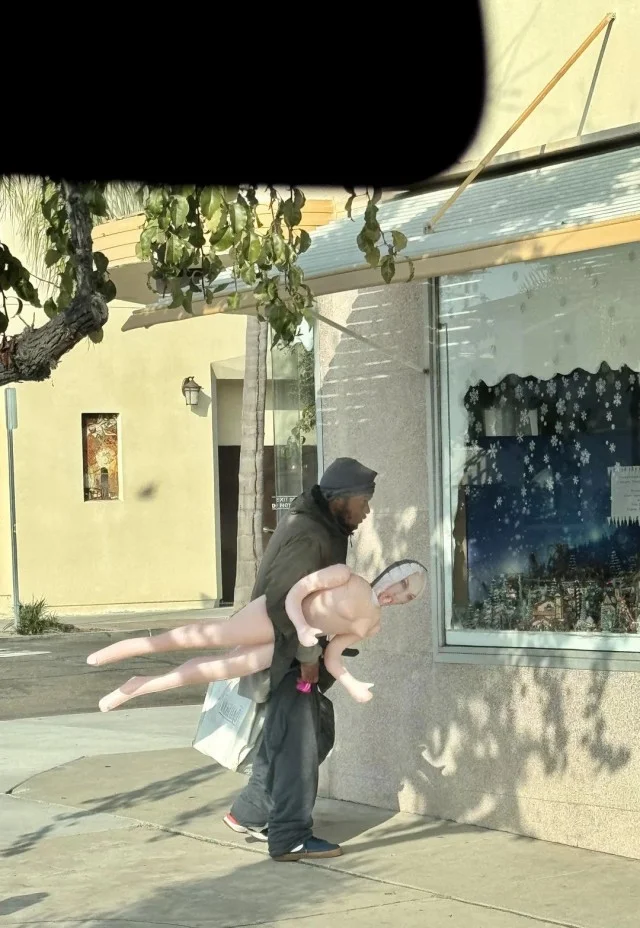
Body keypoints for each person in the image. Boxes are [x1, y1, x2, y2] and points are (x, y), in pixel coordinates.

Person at [86, 558, 427, 710]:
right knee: (208, 635)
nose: (398, 595)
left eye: (408, 596)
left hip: (287, 642)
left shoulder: (370, 624)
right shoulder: (345, 575)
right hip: (275, 614)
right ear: (392, 573)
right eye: (401, 584)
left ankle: (138, 687)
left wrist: (352, 685)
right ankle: (132, 647)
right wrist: (302, 625)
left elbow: (333, 657)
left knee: (220, 669)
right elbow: (298, 590)